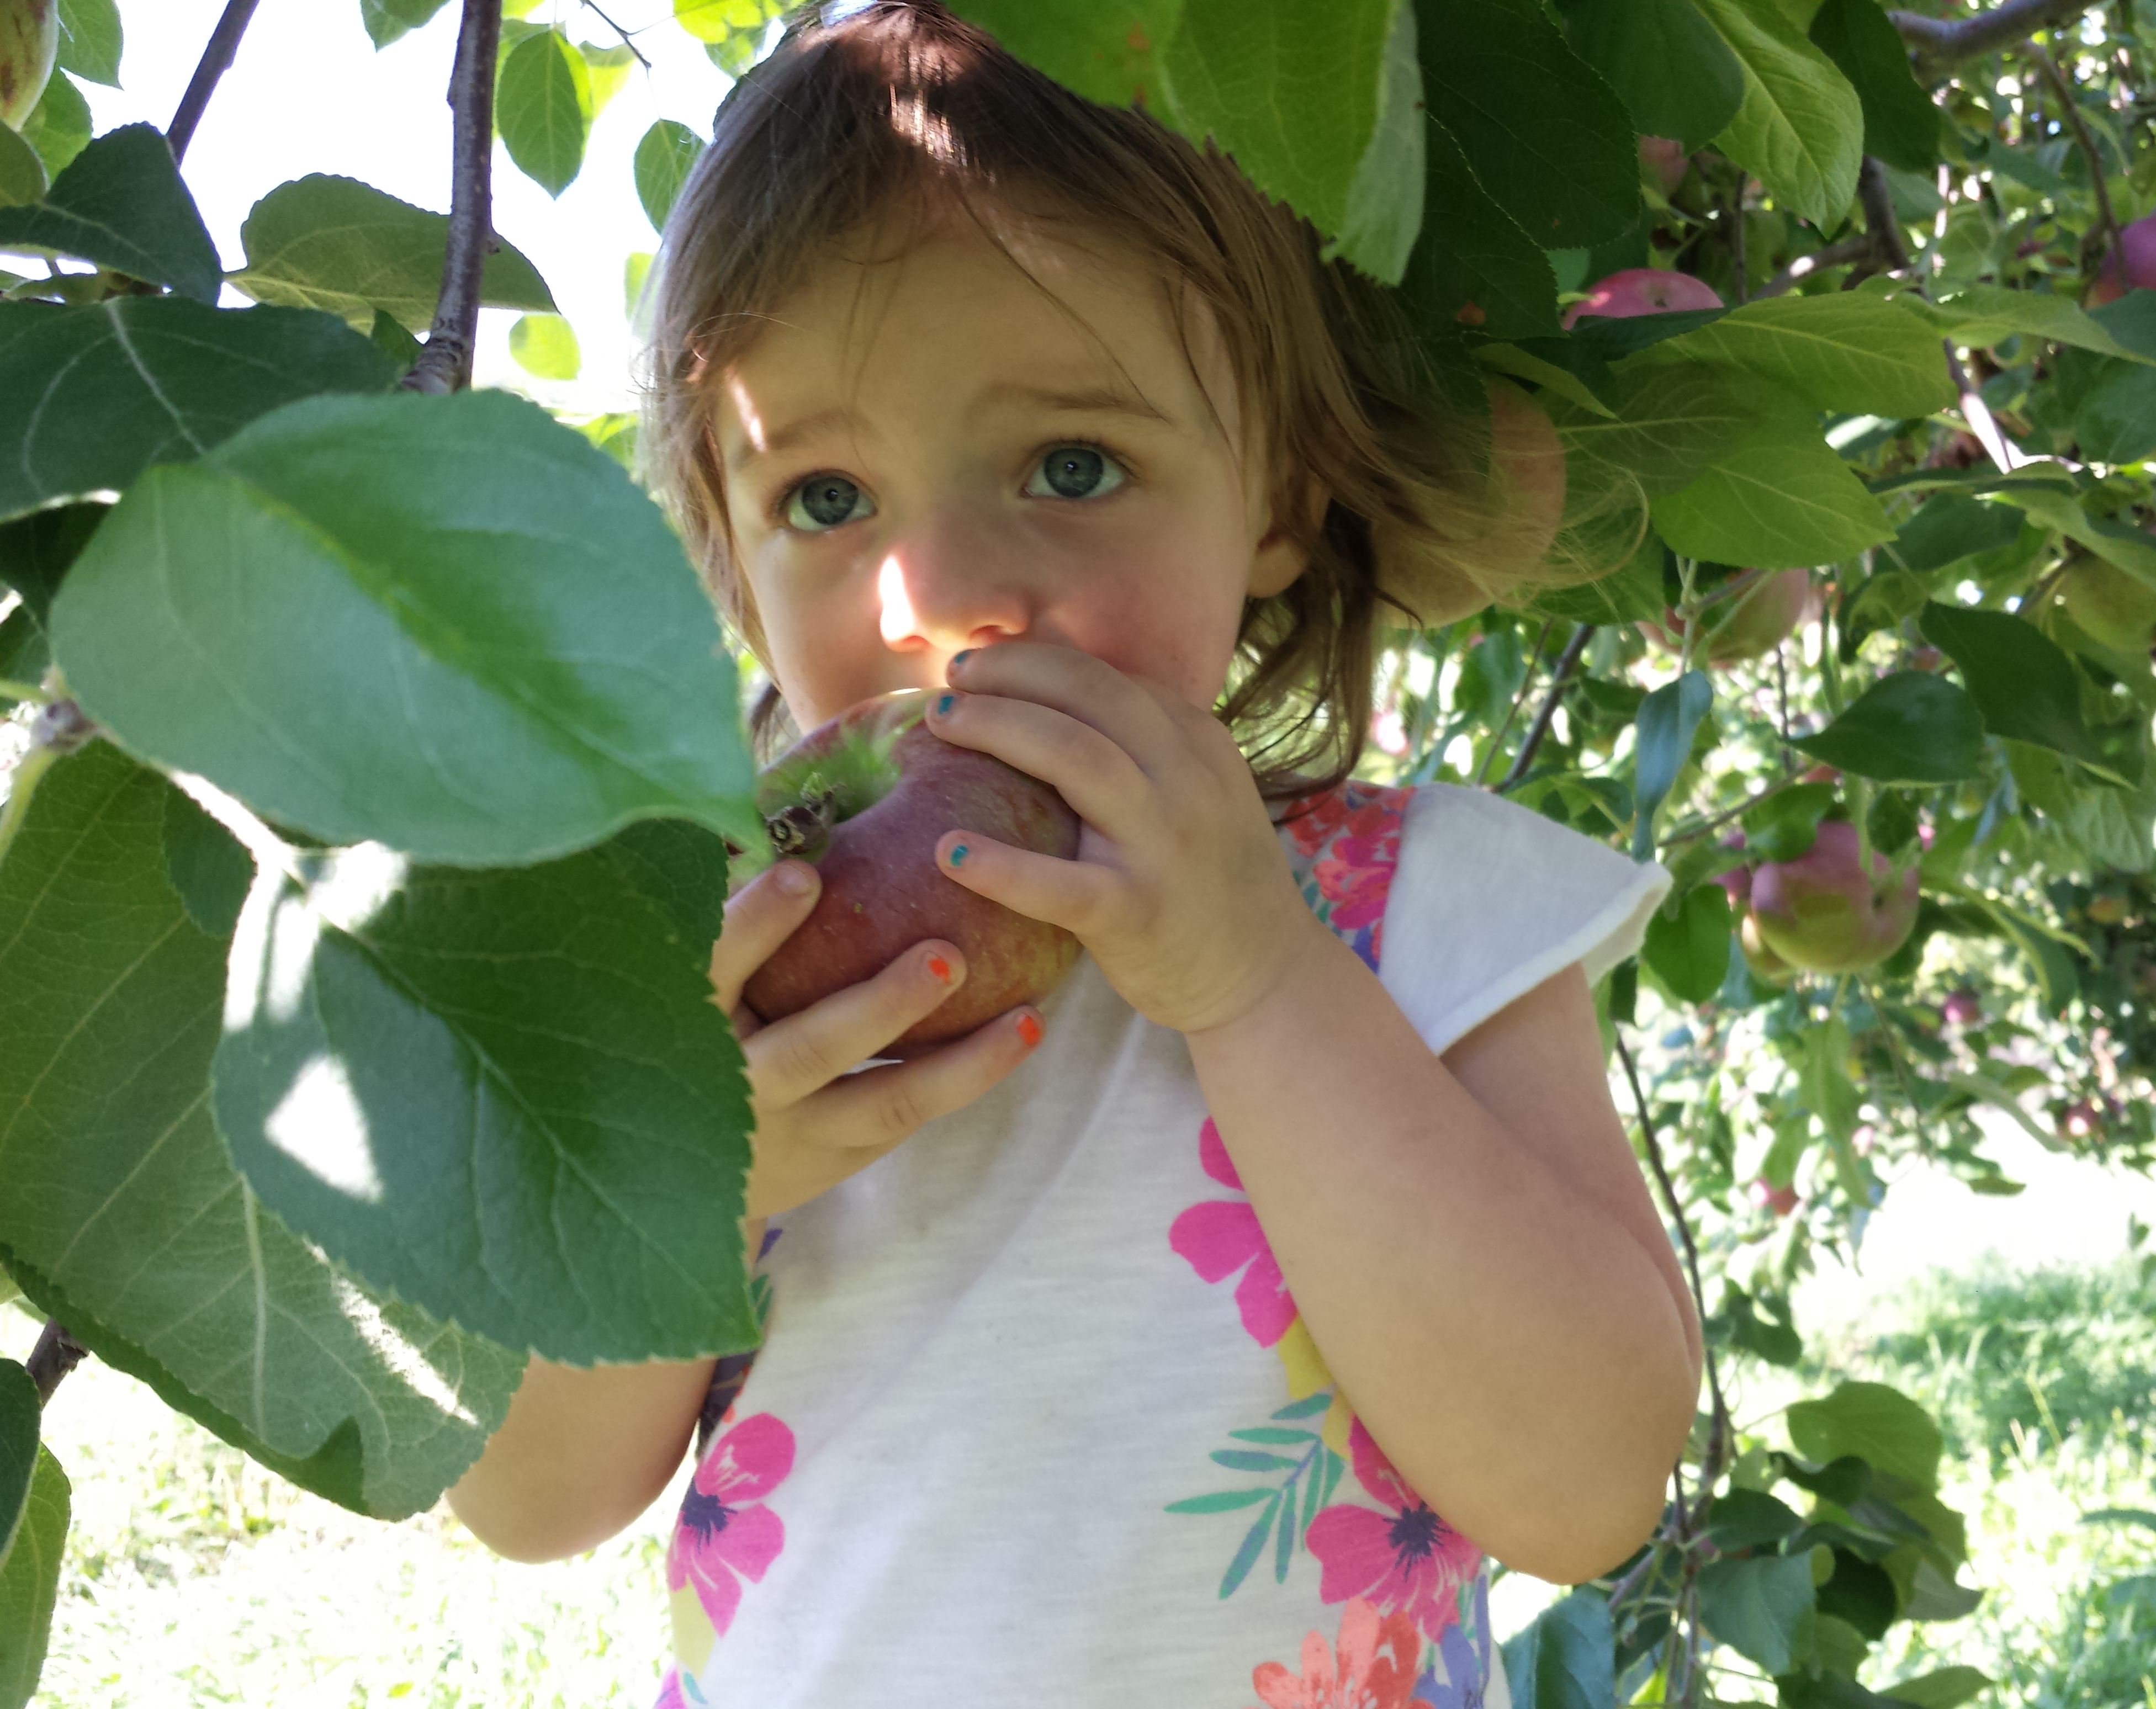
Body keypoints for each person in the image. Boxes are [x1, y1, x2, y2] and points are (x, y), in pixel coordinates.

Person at [445, 4, 1702, 1703]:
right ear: (733, 572)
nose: (941, 592)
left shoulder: (1413, 912)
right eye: (825, 499)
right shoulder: (728, 980)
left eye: (1074, 463)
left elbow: (1589, 1482)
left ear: (1271, 502)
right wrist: (688, 1175)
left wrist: (1259, 981)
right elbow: (525, 1501)